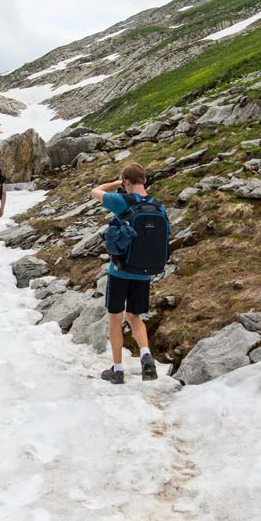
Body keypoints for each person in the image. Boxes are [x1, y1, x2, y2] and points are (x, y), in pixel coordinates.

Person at [90, 162, 166, 384]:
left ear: (126, 182)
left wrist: (115, 182)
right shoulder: (159, 206)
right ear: (145, 181)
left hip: (120, 271)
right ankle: (145, 354)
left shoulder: (121, 201)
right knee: (134, 316)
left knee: (115, 317)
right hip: (144, 272)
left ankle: (118, 369)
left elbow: (95, 191)